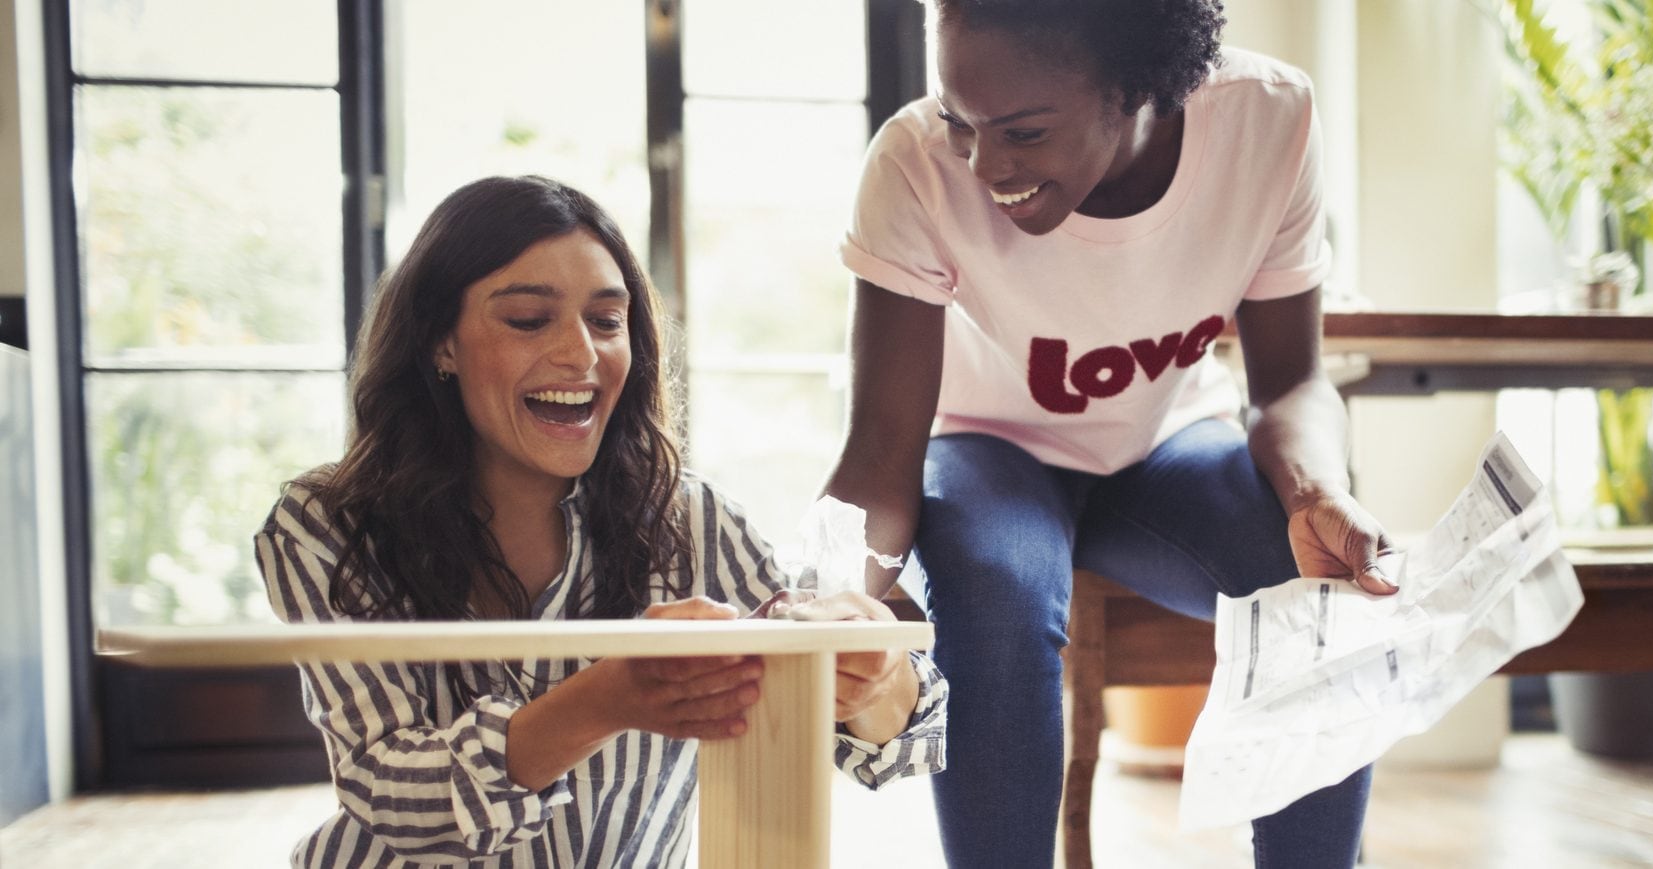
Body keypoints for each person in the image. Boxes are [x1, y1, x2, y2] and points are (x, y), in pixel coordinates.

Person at [824, 1, 1392, 865]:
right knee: (994, 591)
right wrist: (827, 597)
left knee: (1309, 583)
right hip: (987, 450)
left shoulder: (1267, 118)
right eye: (960, 123)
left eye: (1021, 132)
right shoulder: (913, 165)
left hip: (1169, 442)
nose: (984, 165)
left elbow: (1291, 384)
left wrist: (1319, 492)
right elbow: (878, 457)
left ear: (1135, 86)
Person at [258, 175, 946, 867]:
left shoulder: (691, 520)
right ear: (441, 343)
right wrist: (601, 700)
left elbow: (902, 737)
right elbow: (392, 795)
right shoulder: (326, 524)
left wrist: (874, 677)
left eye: (606, 320)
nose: (582, 355)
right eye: (529, 319)